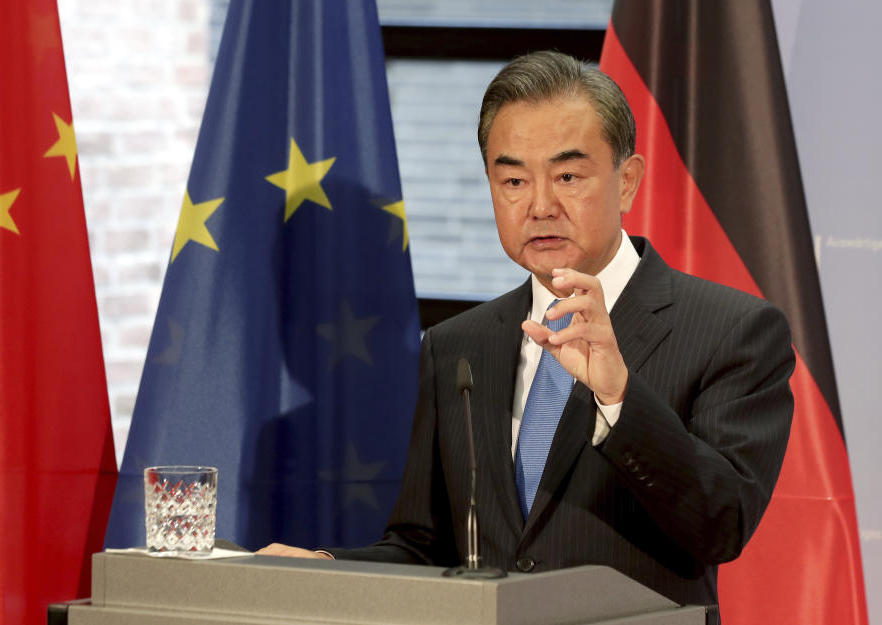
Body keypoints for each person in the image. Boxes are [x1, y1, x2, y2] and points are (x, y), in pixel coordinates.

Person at [258, 51, 794, 619]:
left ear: (627, 181)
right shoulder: (456, 344)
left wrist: (619, 398)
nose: (540, 205)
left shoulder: (734, 330)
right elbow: (429, 547)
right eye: (513, 179)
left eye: (568, 176)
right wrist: (325, 569)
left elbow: (722, 525)